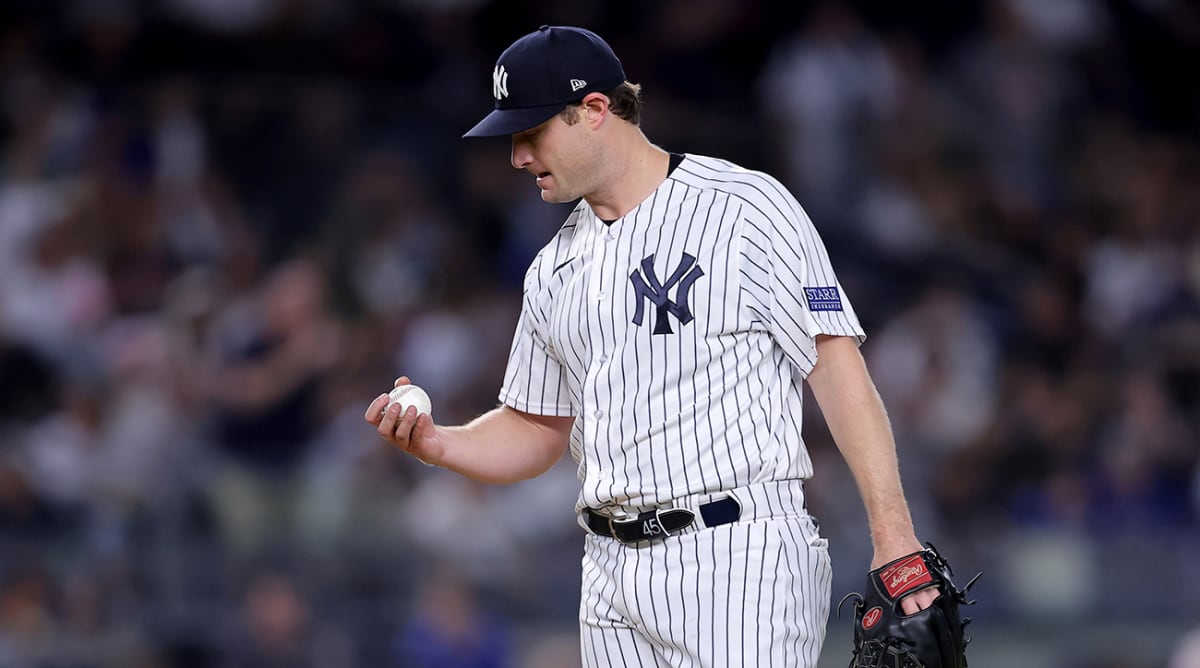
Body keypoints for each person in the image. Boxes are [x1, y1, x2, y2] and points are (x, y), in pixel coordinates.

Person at [366, 25, 937, 667]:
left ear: (594, 110)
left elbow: (834, 366)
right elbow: (537, 427)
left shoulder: (743, 208)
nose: (517, 156)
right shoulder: (552, 269)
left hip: (737, 555)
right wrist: (441, 444)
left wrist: (894, 534)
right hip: (608, 572)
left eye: (531, 132)